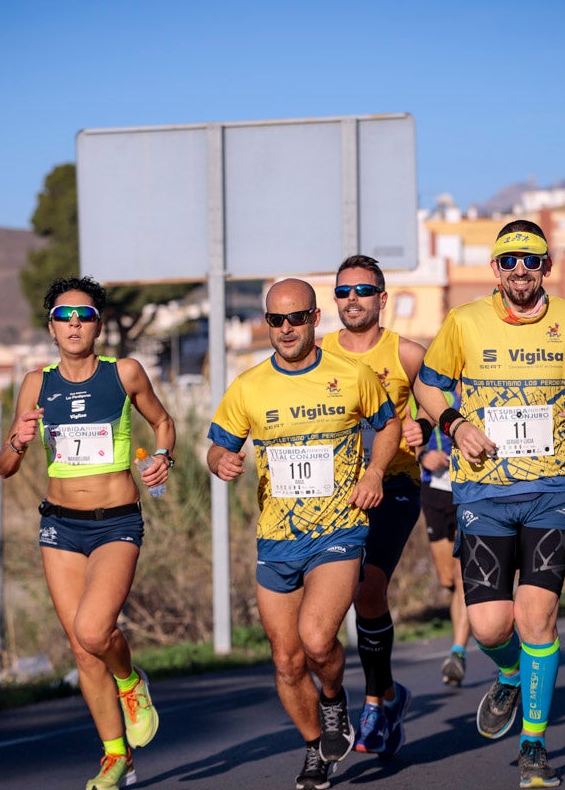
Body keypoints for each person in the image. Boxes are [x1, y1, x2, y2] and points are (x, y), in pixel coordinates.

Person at [412, 220, 565, 789]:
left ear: (547, 266)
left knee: (537, 619)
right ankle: (508, 672)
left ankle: (534, 747)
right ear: (495, 270)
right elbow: (426, 387)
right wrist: (453, 425)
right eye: (509, 261)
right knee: (488, 623)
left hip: (551, 491)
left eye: (531, 259)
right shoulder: (464, 322)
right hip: (483, 492)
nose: (520, 269)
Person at [207, 278, 401, 790]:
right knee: (288, 659)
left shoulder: (352, 375)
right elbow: (217, 445)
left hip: (340, 529)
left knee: (318, 639)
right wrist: (220, 461)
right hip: (277, 537)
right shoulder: (248, 385)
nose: (286, 328)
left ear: (316, 319)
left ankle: (334, 697)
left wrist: (375, 473)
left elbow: (389, 426)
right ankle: (317, 743)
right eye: (276, 320)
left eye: (296, 318)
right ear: (266, 323)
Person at [0, 277, 174, 790]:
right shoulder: (36, 382)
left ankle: (131, 681)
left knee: (97, 630)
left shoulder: (124, 373)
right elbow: (6, 465)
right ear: (50, 325)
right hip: (59, 523)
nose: (74, 323)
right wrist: (18, 438)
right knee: (79, 647)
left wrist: (164, 457)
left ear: (98, 323)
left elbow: (164, 423)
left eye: (85, 314)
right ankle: (115, 756)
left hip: (116, 522)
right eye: (63, 315)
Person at [320, 254, 426, 757]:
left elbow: (449, 408)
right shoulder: (318, 353)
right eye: (343, 292)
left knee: (368, 588)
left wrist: (423, 430)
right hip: (331, 494)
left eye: (363, 290)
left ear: (383, 298)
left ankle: (374, 705)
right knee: (332, 607)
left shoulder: (406, 354)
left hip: (395, 486)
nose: (352, 299)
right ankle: (389, 693)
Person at [417, 386, 472, 688]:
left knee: (463, 576)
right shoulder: (431, 390)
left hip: (470, 492)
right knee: (448, 578)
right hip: (435, 491)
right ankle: (475, 613)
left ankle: (458, 652)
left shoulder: (480, 383)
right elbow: (406, 432)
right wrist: (424, 455)